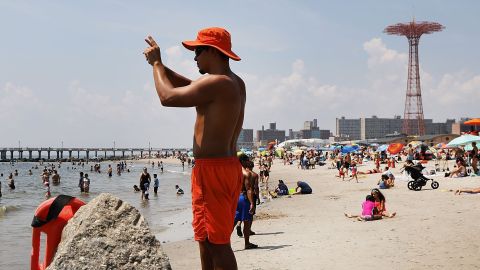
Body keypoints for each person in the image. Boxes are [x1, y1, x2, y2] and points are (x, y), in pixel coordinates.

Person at [144, 27, 245, 269]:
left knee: (218, 243)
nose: (194, 57)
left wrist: (157, 65)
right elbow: (193, 86)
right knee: (205, 239)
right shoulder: (232, 82)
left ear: (213, 51)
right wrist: (160, 66)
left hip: (214, 171)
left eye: (198, 50)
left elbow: (167, 97)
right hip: (219, 168)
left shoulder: (219, 83)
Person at [234, 154, 257, 249]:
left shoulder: (233, 172)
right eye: (247, 160)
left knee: (233, 221)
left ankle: (225, 243)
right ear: (243, 161)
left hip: (234, 198)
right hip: (243, 198)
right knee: (247, 222)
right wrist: (252, 203)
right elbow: (248, 189)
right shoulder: (246, 174)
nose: (249, 162)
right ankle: (247, 243)